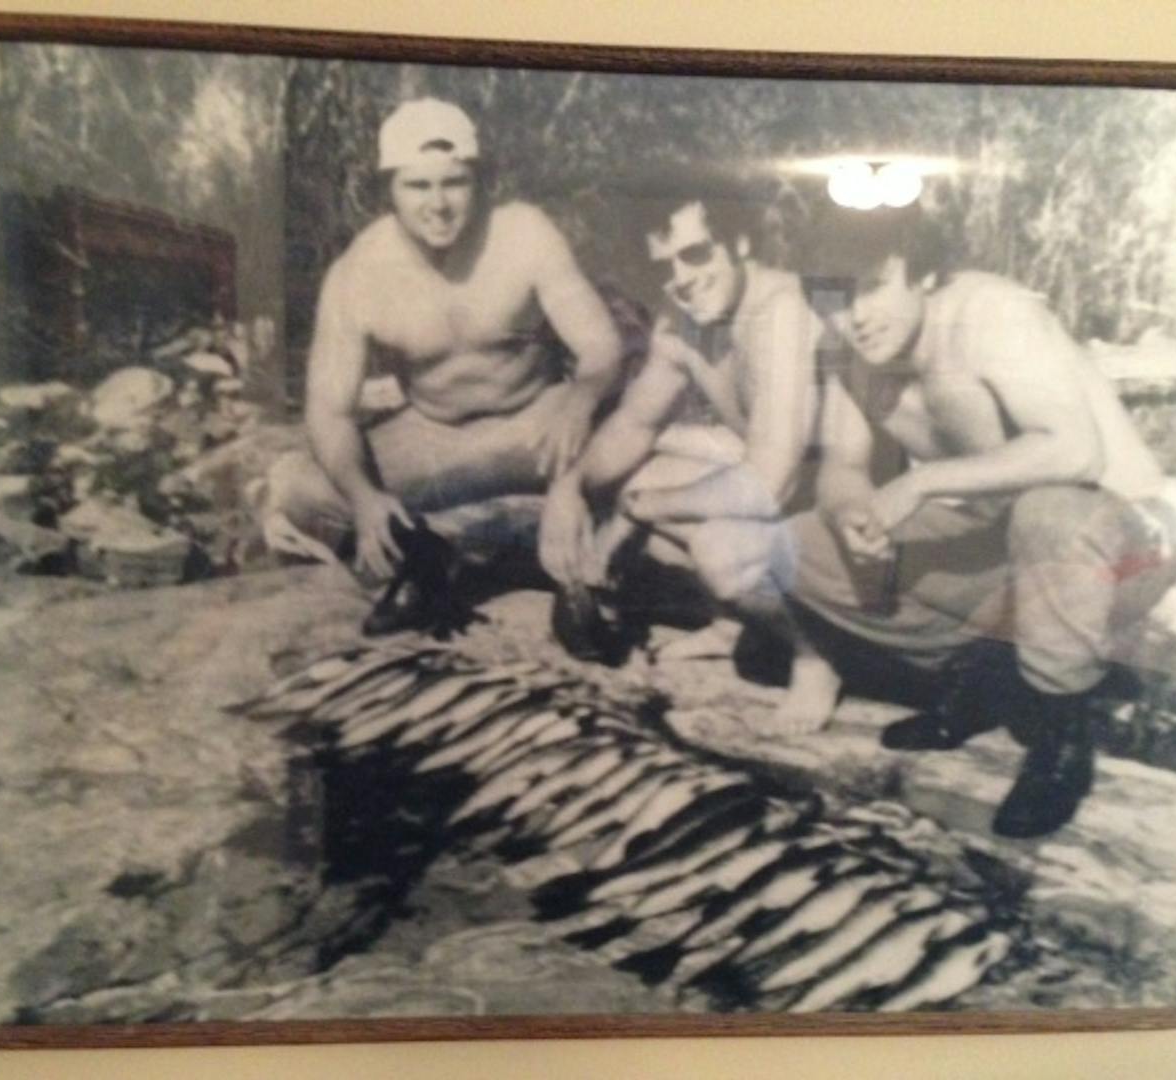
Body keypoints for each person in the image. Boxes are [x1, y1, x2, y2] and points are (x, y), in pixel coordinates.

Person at [785, 203, 1176, 838]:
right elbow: (840, 471)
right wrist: (856, 514)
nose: (857, 316)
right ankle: (985, 672)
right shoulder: (849, 350)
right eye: (837, 297)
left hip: (1130, 537)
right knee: (800, 546)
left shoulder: (990, 313)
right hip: (1009, 547)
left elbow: (1074, 452)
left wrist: (921, 480)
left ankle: (1061, 738)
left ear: (922, 273)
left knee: (1049, 513)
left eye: (874, 286)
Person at [260, 98, 624, 628]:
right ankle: (440, 554)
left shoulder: (523, 234)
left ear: (477, 181)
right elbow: (328, 412)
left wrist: (581, 400)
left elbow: (601, 347)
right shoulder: (357, 273)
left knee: (638, 471)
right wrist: (364, 500)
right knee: (298, 488)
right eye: (417, 186)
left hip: (535, 427)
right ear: (389, 190)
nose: (438, 204)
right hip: (432, 436)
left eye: (453, 183)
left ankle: (548, 554)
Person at [541, 181, 836, 731]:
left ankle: (816, 657)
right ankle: (734, 625)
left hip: (858, 519)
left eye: (696, 254)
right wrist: (569, 487)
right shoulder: (684, 322)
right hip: (796, 500)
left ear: (742, 242)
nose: (681, 278)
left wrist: (639, 510)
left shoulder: (782, 314)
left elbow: (772, 482)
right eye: (666, 266)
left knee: (710, 542)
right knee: (638, 473)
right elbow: (634, 423)